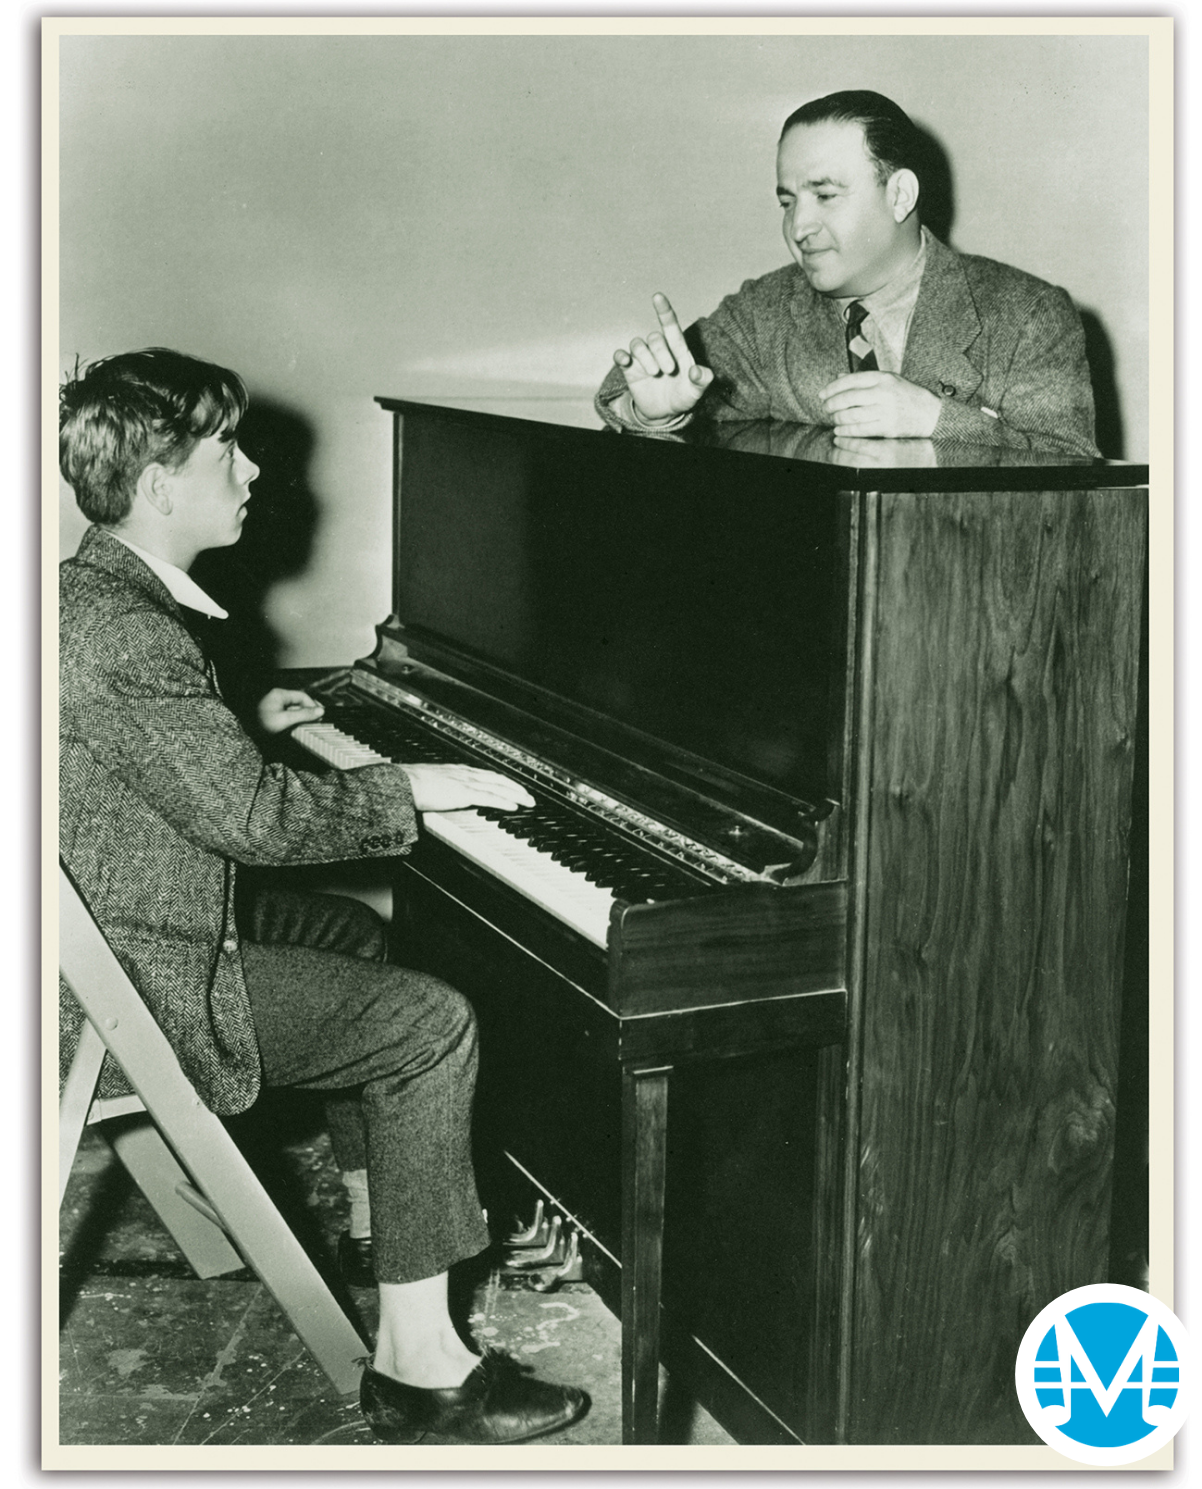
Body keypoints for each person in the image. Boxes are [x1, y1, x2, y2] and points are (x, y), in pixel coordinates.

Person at [58, 348, 589, 1445]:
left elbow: (165, 768)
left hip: (119, 925)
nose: (252, 472)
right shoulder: (127, 634)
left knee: (354, 934)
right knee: (427, 1026)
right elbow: (252, 821)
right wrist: (415, 784)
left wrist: (262, 729)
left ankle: (376, 1216)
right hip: (128, 991)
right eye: (227, 451)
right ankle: (421, 1366)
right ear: (161, 483)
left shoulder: (91, 589)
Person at [597, 90, 1098, 457]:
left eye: (826, 195)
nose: (799, 226)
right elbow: (635, 389)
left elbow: (1076, 477)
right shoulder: (765, 312)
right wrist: (653, 414)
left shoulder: (1027, 316)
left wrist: (936, 420)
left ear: (900, 195)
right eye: (788, 201)